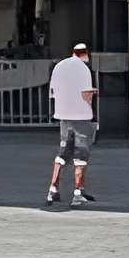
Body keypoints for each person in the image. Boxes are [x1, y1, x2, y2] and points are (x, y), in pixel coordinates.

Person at [46, 43, 97, 206]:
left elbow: (53, 93)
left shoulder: (59, 66)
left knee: (63, 153)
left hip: (63, 116)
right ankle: (77, 192)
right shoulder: (83, 69)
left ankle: (53, 189)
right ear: (85, 54)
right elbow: (86, 94)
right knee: (81, 154)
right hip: (81, 116)